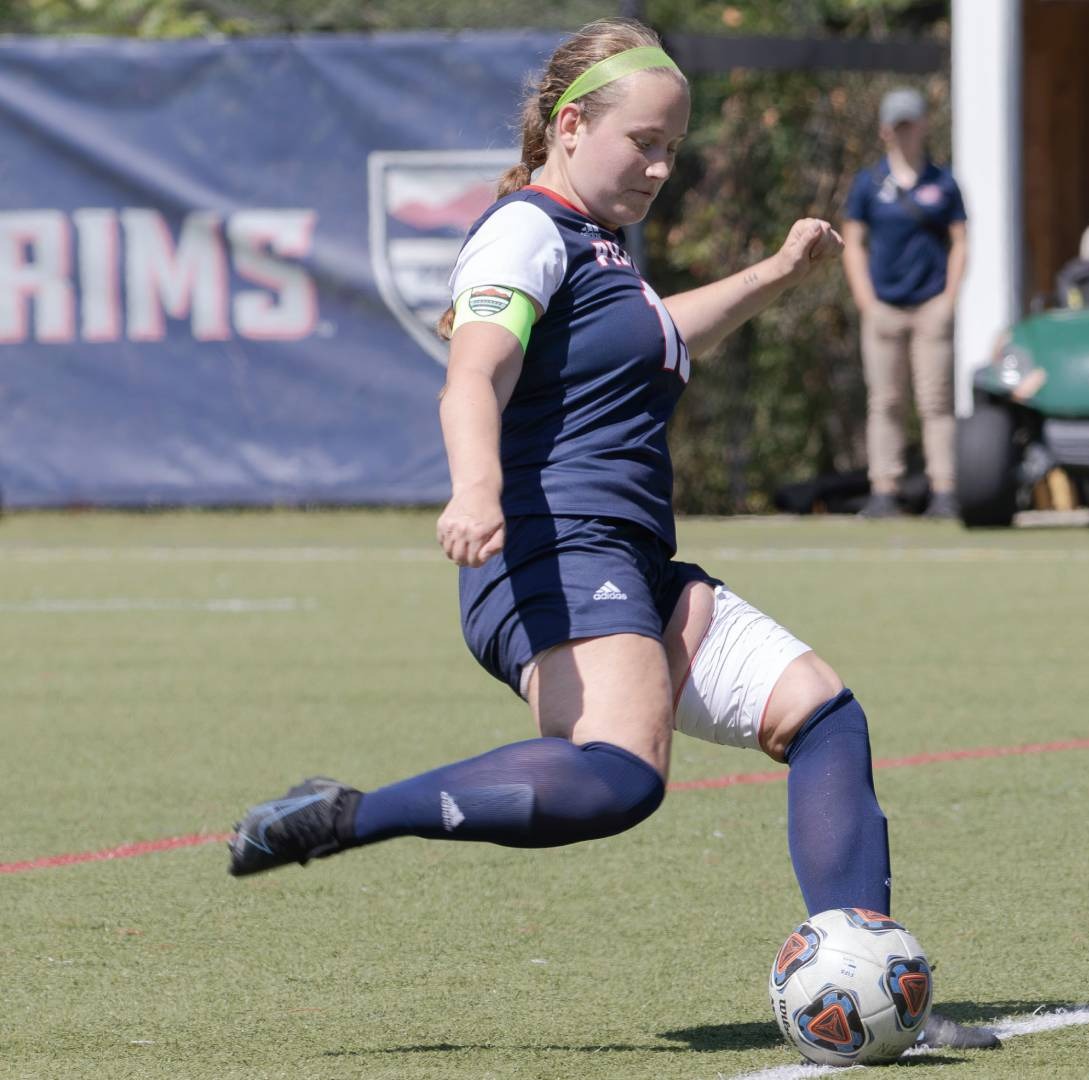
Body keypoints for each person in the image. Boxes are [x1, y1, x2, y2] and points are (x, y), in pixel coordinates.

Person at [226, 20, 995, 1052]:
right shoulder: (522, 232)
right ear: (573, 122)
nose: (662, 165)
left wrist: (773, 273)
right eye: (646, 141)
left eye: (674, 146)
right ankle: (352, 813)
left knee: (824, 717)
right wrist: (476, 489)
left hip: (629, 557)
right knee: (622, 776)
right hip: (549, 551)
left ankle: (867, 975)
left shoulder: (600, 250)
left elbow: (667, 335)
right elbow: (474, 374)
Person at [842, 87, 968, 519]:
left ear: (924, 126)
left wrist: (949, 298)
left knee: (935, 401)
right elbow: (853, 243)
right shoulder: (869, 185)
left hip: (931, 306)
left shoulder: (944, 182)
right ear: (884, 131)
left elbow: (960, 242)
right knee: (885, 401)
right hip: (884, 309)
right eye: (897, 126)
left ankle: (945, 488)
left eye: (910, 125)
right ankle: (885, 489)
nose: (904, 133)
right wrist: (866, 300)